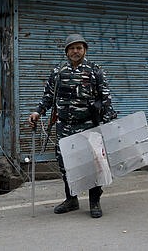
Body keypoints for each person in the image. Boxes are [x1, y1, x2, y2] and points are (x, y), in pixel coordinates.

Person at [28, 33, 117, 218]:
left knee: (92, 165)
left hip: (88, 126)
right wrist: (38, 112)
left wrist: (107, 126)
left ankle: (94, 202)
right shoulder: (58, 71)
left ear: (85, 50)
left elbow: (106, 99)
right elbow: (48, 96)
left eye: (79, 48)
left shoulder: (95, 71)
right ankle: (71, 200)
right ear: (66, 51)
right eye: (72, 48)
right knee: (65, 164)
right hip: (64, 127)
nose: (76, 51)